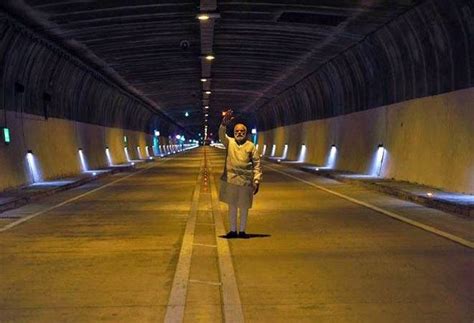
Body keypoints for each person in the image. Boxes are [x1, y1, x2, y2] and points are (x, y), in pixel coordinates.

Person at [219, 109, 262, 239]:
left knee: (244, 207)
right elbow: (221, 135)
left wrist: (256, 180)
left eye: (242, 131)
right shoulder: (229, 142)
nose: (239, 133)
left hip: (246, 181)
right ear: (233, 132)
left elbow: (257, 163)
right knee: (232, 207)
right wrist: (223, 124)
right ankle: (232, 230)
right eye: (237, 131)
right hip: (231, 180)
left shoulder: (251, 146)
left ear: (245, 133)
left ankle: (242, 231)